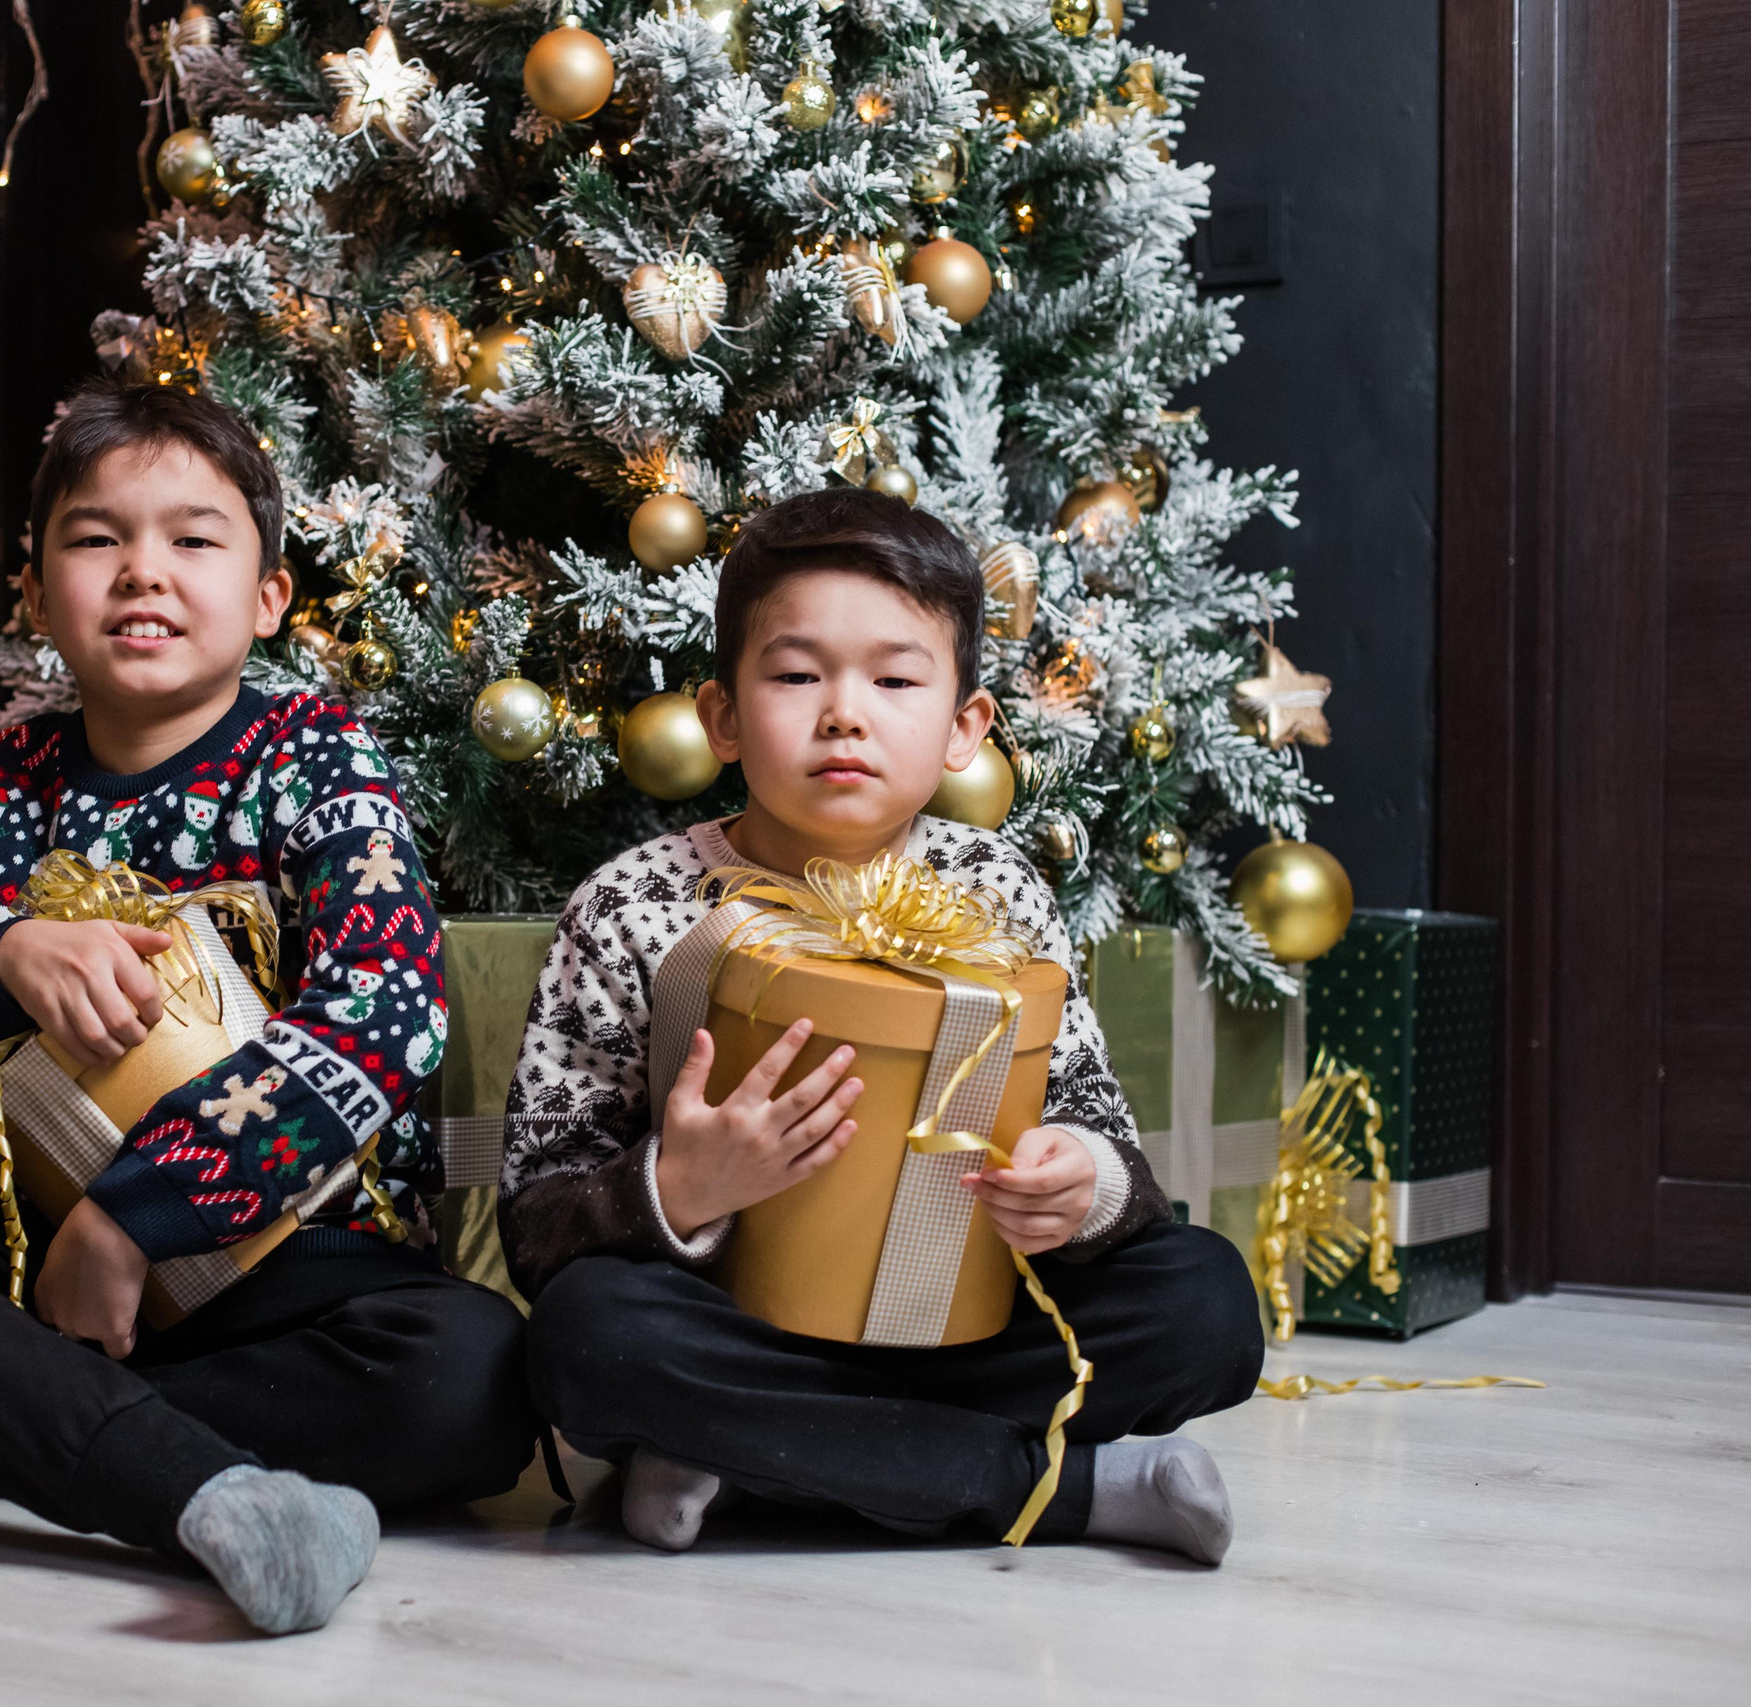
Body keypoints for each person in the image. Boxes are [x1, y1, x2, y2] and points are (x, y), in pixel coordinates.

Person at [0, 381, 535, 1634]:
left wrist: (137, 1218)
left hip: (294, 1275)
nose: (142, 572)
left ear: (268, 598)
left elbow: (385, 1014)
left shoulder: (317, 757)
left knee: (470, 1376)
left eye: (194, 540)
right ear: (42, 595)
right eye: (98, 540)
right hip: (33, 1279)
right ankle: (190, 1484)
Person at [501, 488, 1263, 1564]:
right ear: (721, 716)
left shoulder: (995, 891)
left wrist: (1081, 1182)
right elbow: (535, 1221)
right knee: (588, 1339)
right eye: (796, 675)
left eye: (895, 680)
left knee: (1207, 1305)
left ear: (964, 728)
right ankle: (1056, 1486)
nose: (843, 713)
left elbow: (1100, 1127)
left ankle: (752, 1456)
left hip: (958, 1328)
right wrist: (680, 1189)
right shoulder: (635, 904)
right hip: (729, 1329)